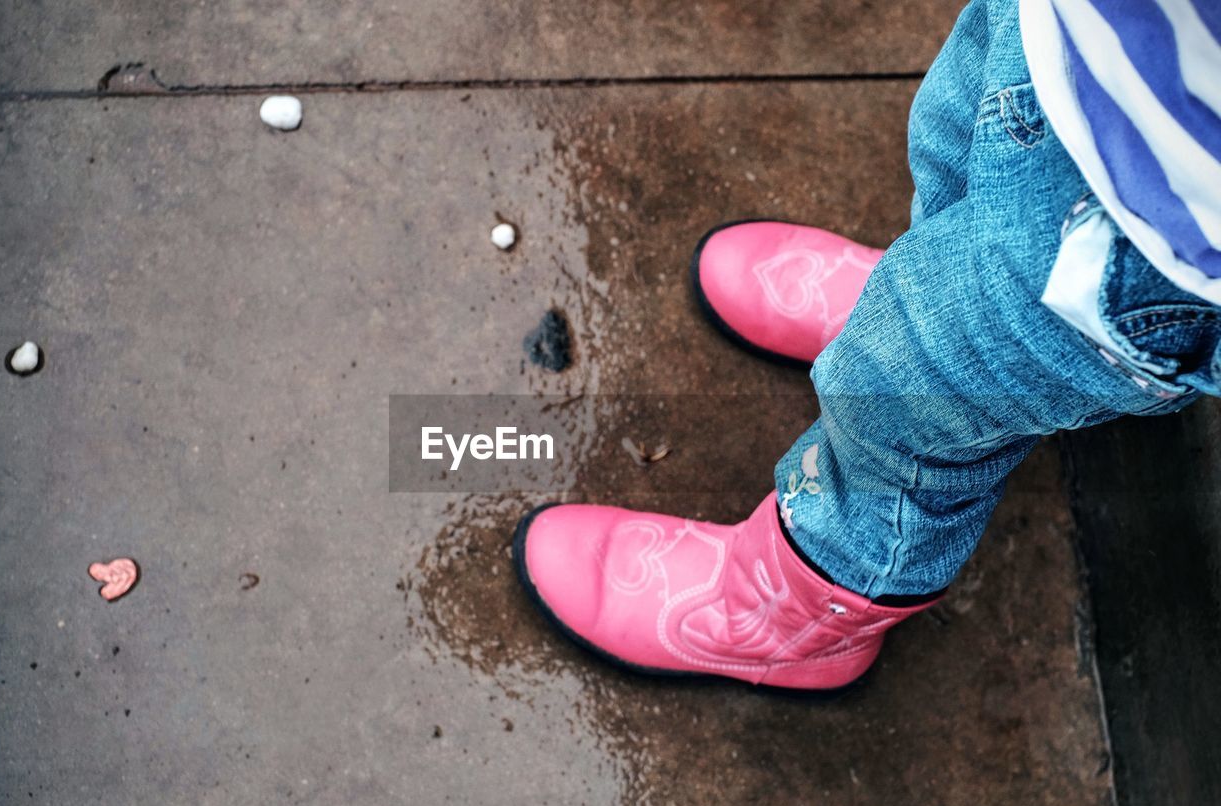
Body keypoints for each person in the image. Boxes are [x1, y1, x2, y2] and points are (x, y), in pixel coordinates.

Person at [513, 0, 1221, 692]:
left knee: (908, 416)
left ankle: (800, 616)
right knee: (957, 133)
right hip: (1091, 36)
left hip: (1166, 229)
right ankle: (918, 291)